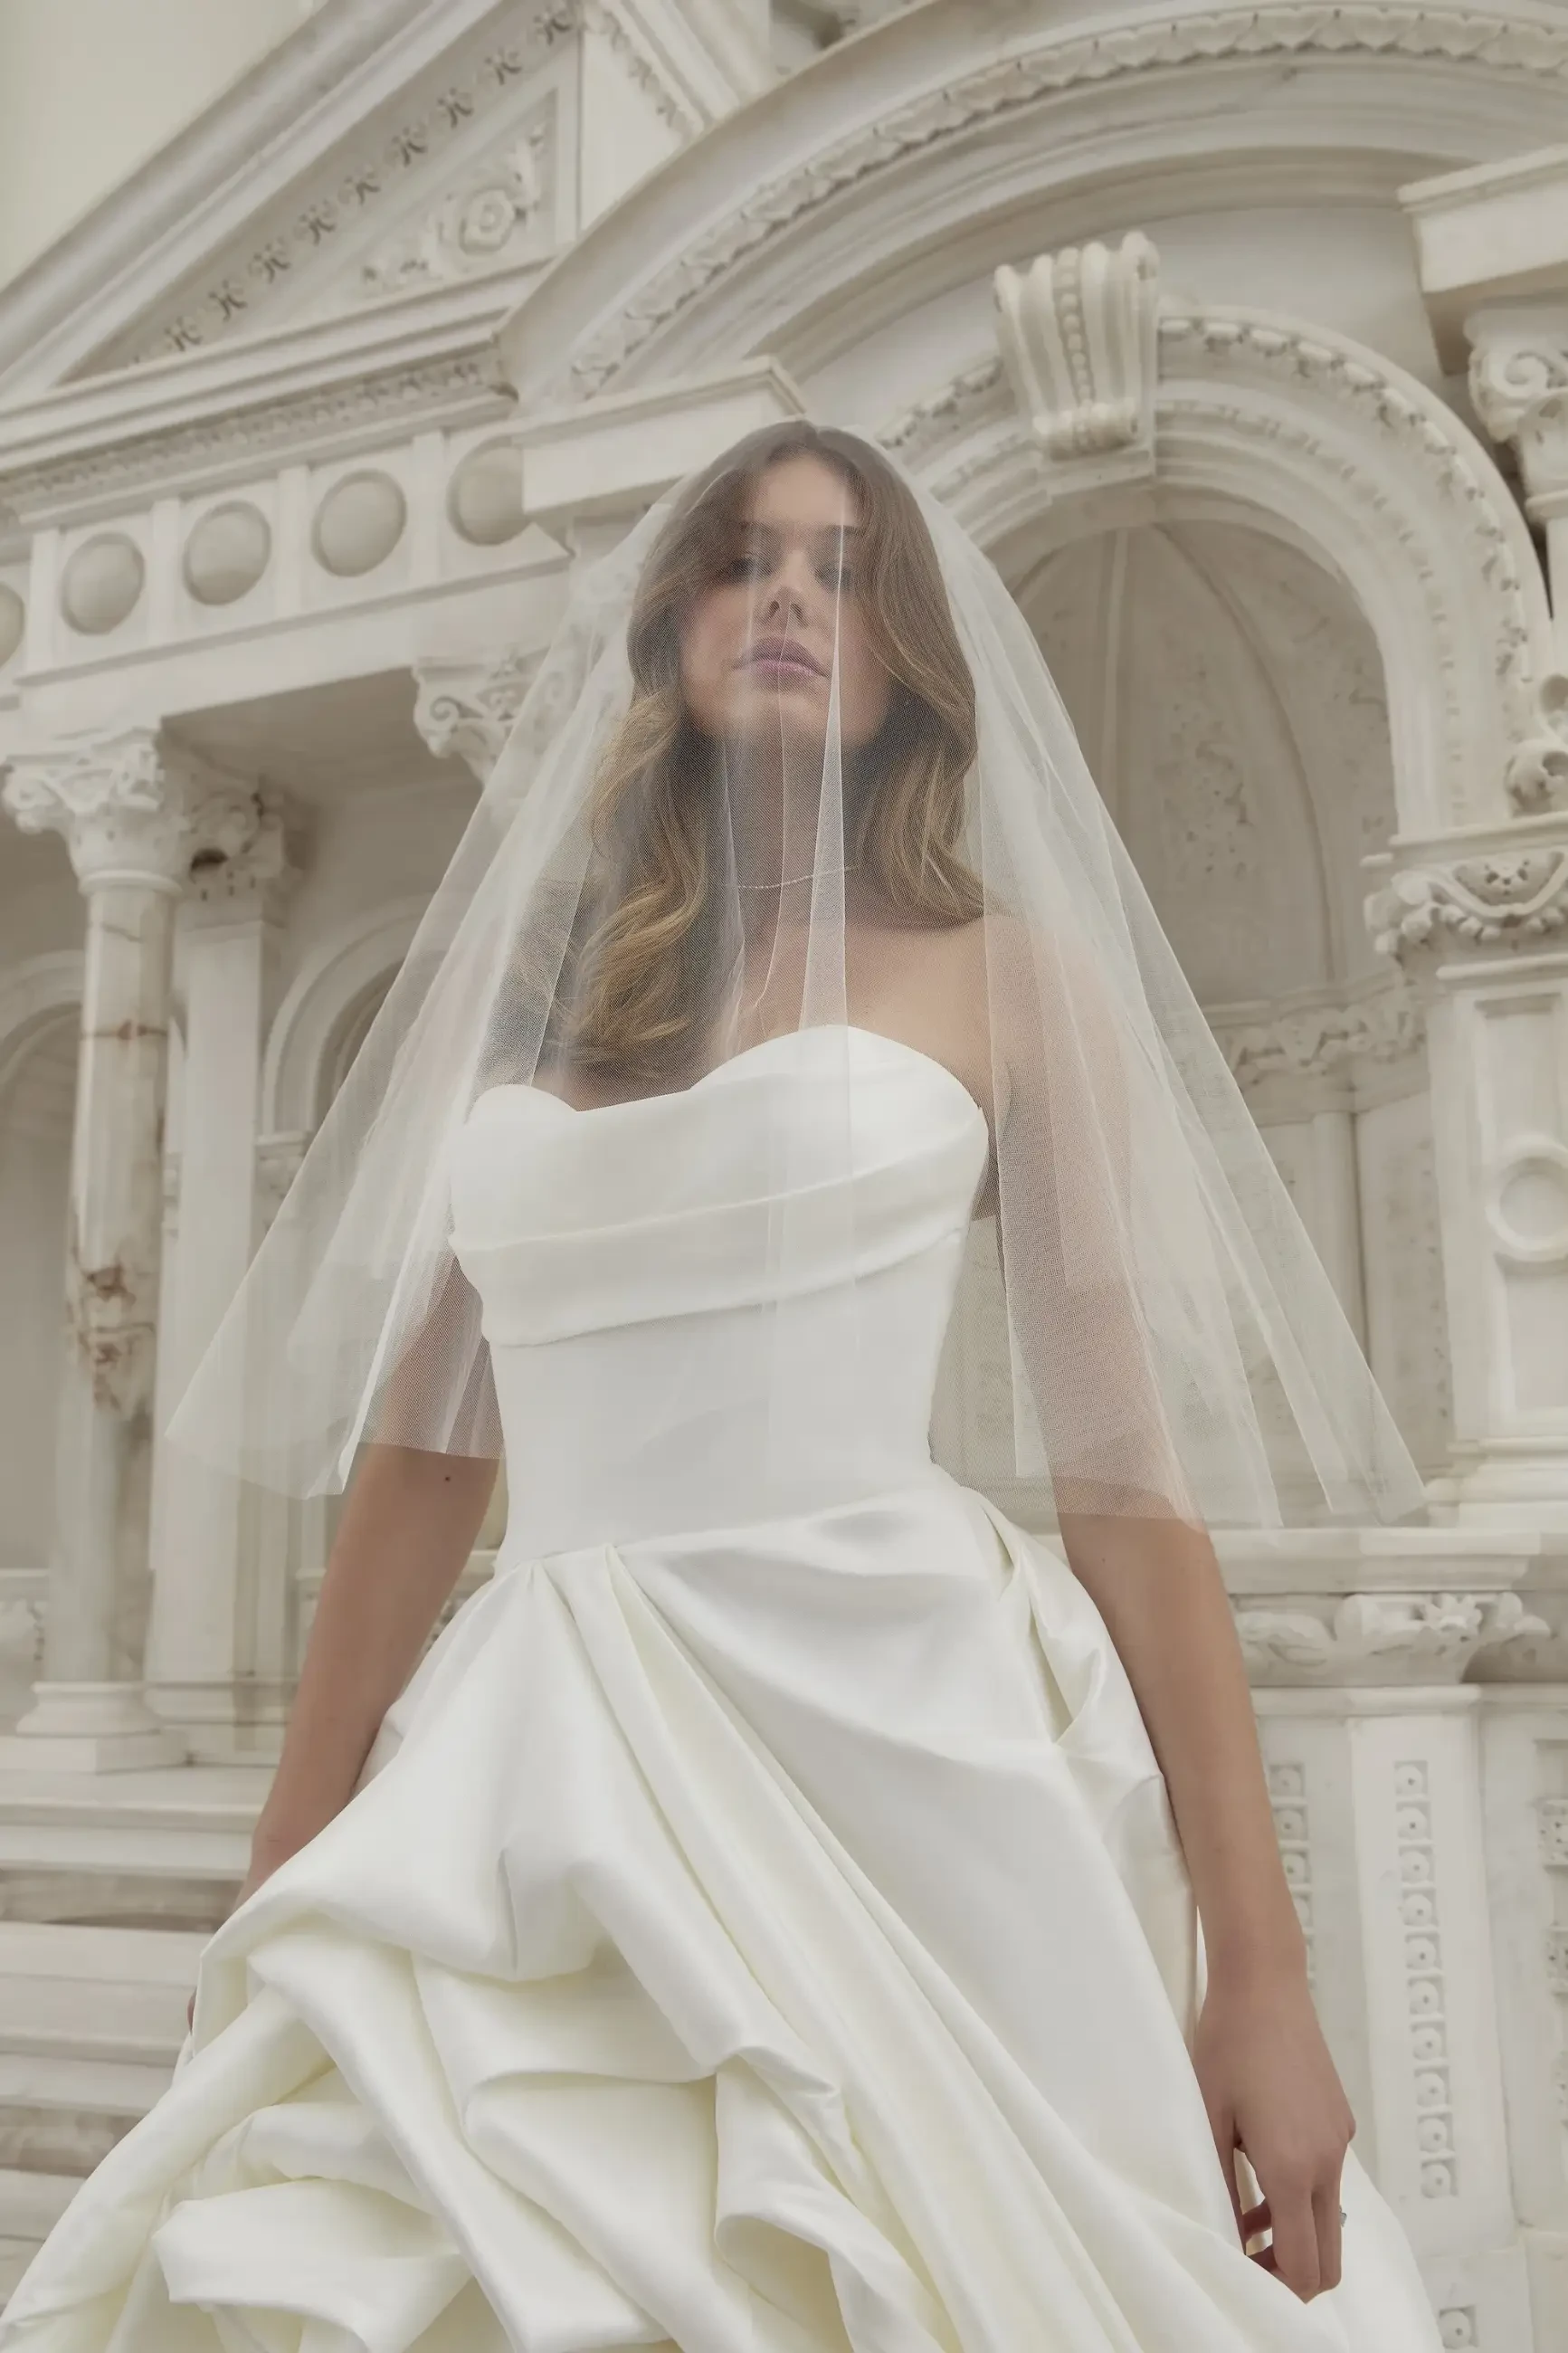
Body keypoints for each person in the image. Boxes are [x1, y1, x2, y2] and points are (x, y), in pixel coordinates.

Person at [0, 422, 1442, 2351]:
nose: (782, 597)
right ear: (669, 625)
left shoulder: (1001, 976)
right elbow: (429, 1454)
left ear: (905, 658)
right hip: (537, 1752)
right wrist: (282, 1866)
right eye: (740, 560)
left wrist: (1259, 1975)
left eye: (838, 571)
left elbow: (1124, 1486)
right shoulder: (540, 992)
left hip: (889, 1742)